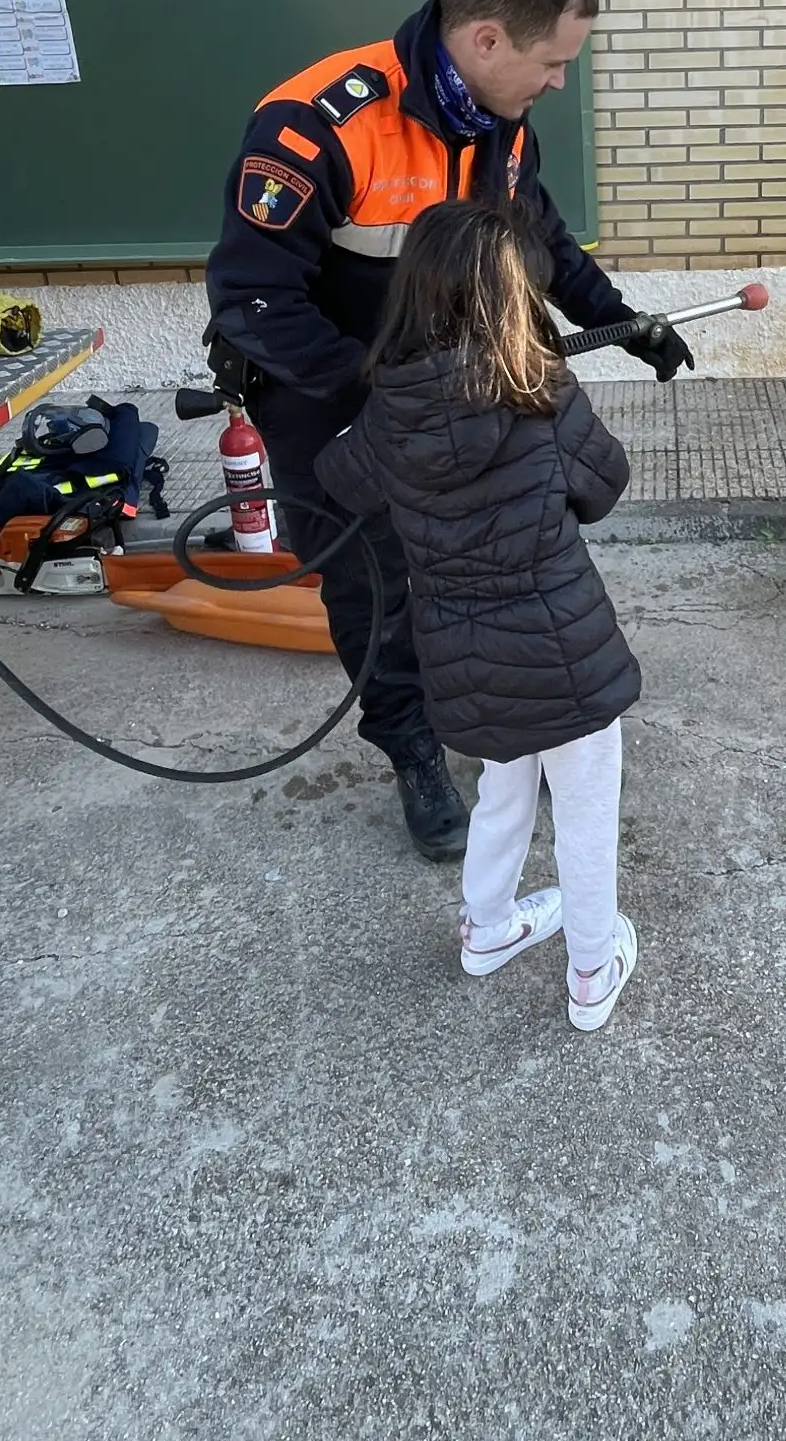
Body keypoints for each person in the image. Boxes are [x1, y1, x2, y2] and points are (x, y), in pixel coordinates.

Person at [204, 0, 691, 861]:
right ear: (487, 40)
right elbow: (251, 298)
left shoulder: (500, 121)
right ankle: (411, 747)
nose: (560, 82)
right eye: (553, 63)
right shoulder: (318, 126)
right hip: (330, 398)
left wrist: (624, 320)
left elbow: (538, 233)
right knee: (372, 582)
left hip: (451, 387)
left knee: (483, 571)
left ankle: (502, 730)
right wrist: (379, 397)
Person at [316, 200, 641, 1032]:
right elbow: (604, 485)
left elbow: (340, 479)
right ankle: (593, 970)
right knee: (585, 809)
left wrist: (390, 413)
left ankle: (487, 930)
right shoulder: (543, 392)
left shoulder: (389, 411)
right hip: (564, 656)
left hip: (462, 657)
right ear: (514, 302)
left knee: (505, 785)